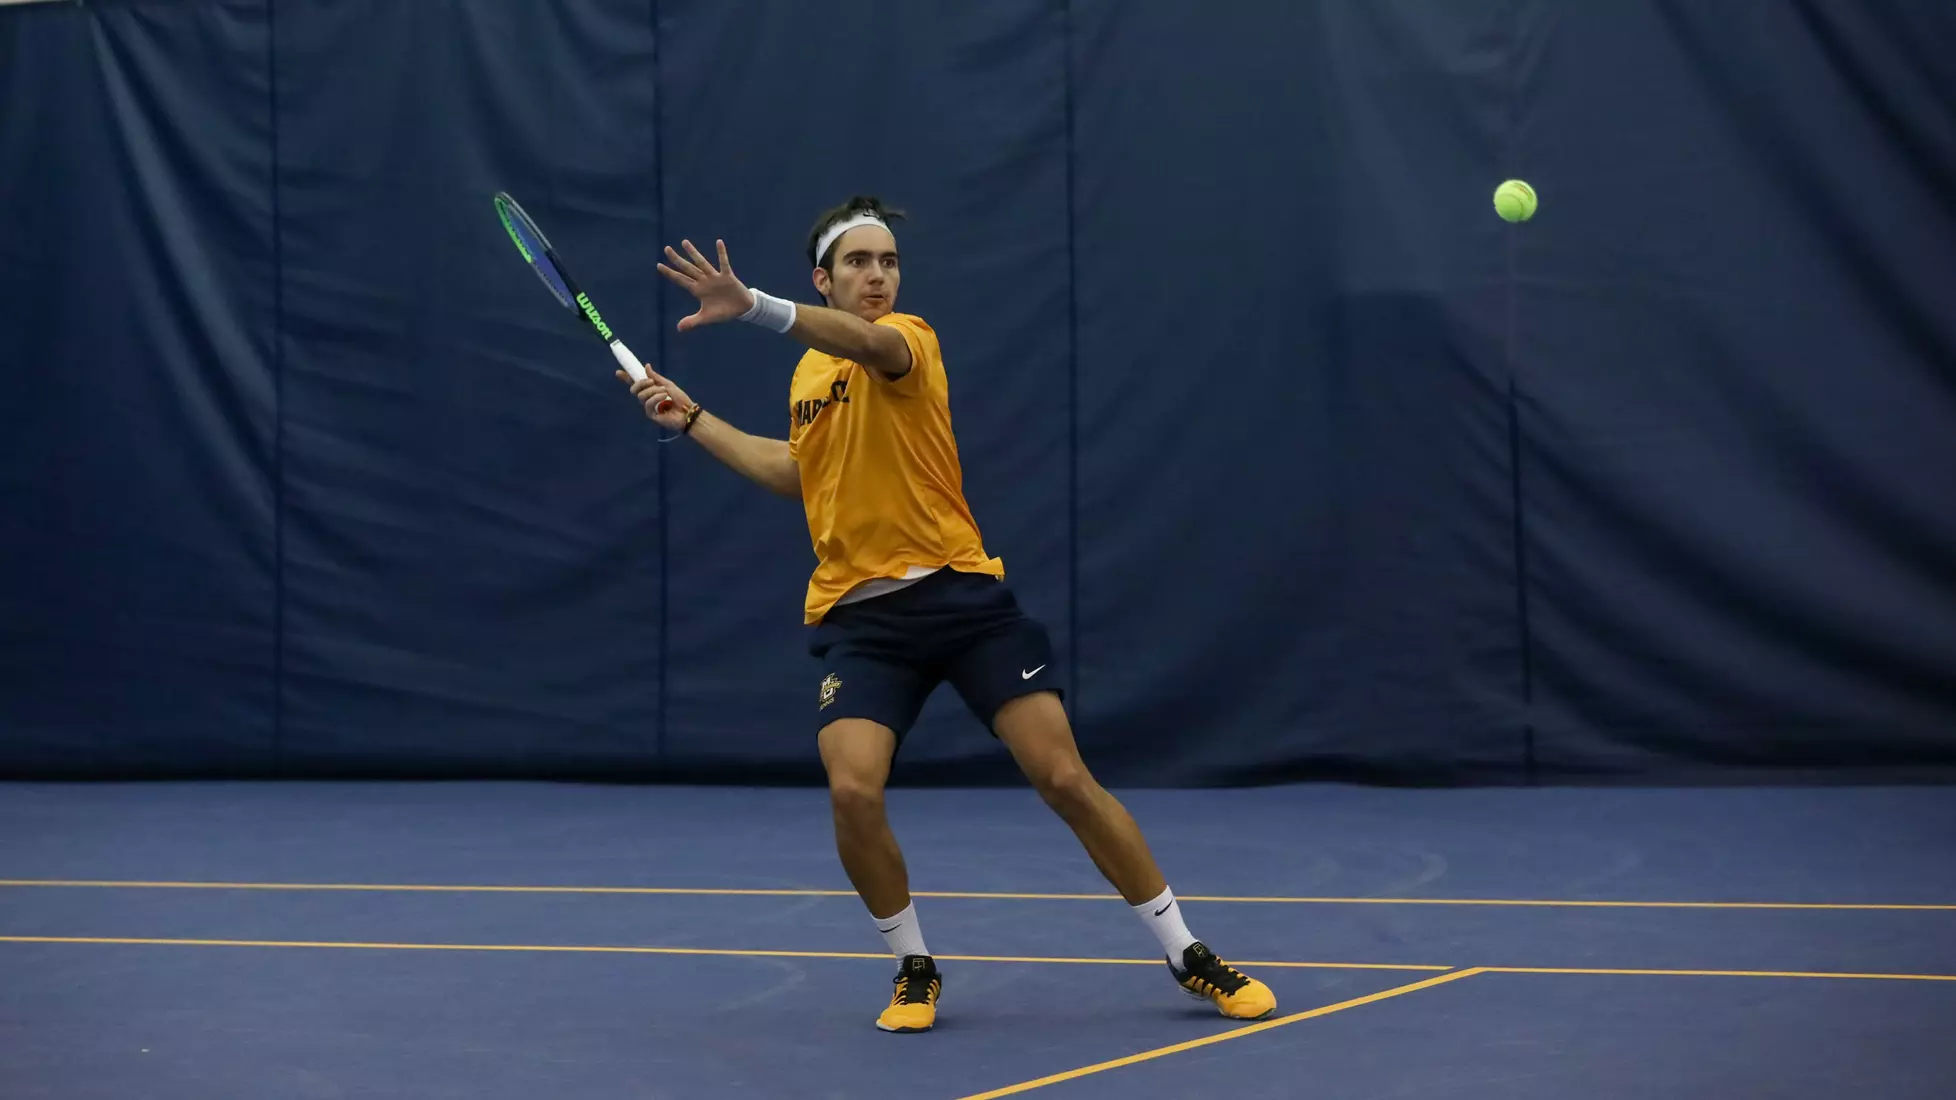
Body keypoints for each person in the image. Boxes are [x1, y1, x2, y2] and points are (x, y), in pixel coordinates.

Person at [617, 196, 1276, 1034]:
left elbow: (867, 344)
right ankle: (913, 966)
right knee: (853, 790)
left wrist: (751, 306)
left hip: (962, 600)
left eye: (889, 261)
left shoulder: (906, 340)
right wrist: (693, 418)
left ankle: (1187, 952)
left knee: (1064, 778)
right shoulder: (809, 375)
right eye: (859, 262)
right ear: (824, 277)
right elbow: (799, 474)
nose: (878, 276)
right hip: (862, 621)